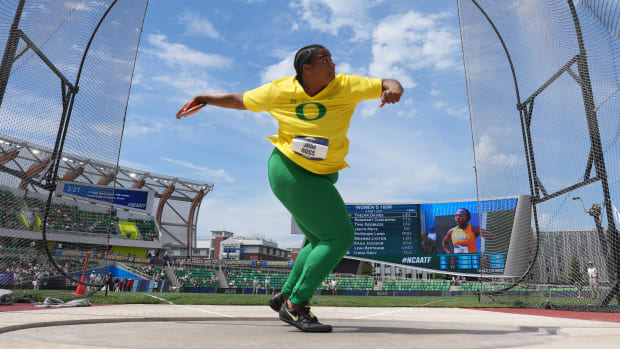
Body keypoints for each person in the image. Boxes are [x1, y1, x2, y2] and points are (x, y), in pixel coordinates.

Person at [180, 44, 403, 332]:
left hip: (323, 174)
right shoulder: (280, 90)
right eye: (325, 61)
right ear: (305, 69)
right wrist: (204, 98)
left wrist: (394, 87)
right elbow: (240, 100)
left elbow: (387, 82)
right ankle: (296, 306)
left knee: (317, 240)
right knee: (340, 236)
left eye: (332, 59)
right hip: (290, 169)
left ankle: (284, 295)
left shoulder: (346, 85)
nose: (332, 65)